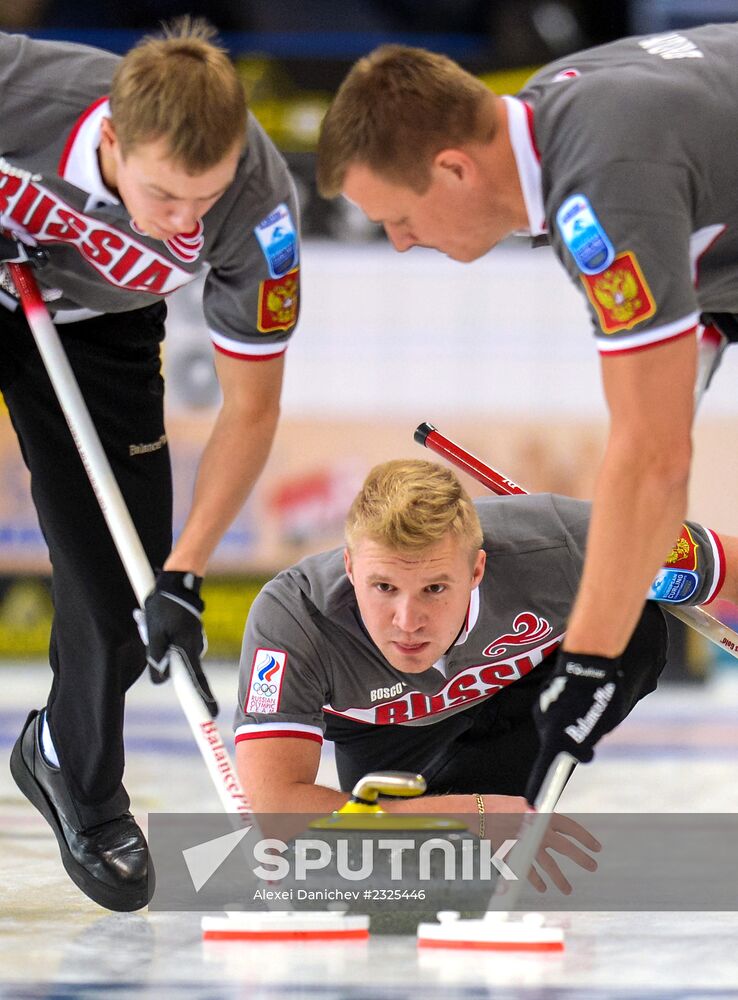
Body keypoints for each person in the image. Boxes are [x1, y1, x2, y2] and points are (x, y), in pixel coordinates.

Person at [314, 25, 738, 800]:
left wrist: (589, 662)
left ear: (453, 168)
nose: (401, 245)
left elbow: (653, 459)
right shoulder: (558, 109)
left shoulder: (604, 192)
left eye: (398, 218)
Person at [4, 20, 301, 912]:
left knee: (120, 605)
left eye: (203, 200)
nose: (188, 222)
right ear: (109, 140)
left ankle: (71, 769)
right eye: (166, 196)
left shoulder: (259, 209)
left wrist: (185, 573)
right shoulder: (23, 87)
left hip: (100, 326)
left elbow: (252, 406)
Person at [235, 459, 733, 886]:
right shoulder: (292, 618)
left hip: (523, 697)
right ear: (349, 567)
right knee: (399, 871)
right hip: (388, 734)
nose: (407, 622)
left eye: (434, 588)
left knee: (637, 627)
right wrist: (467, 815)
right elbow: (276, 810)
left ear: (477, 570)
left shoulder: (565, 542)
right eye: (384, 587)